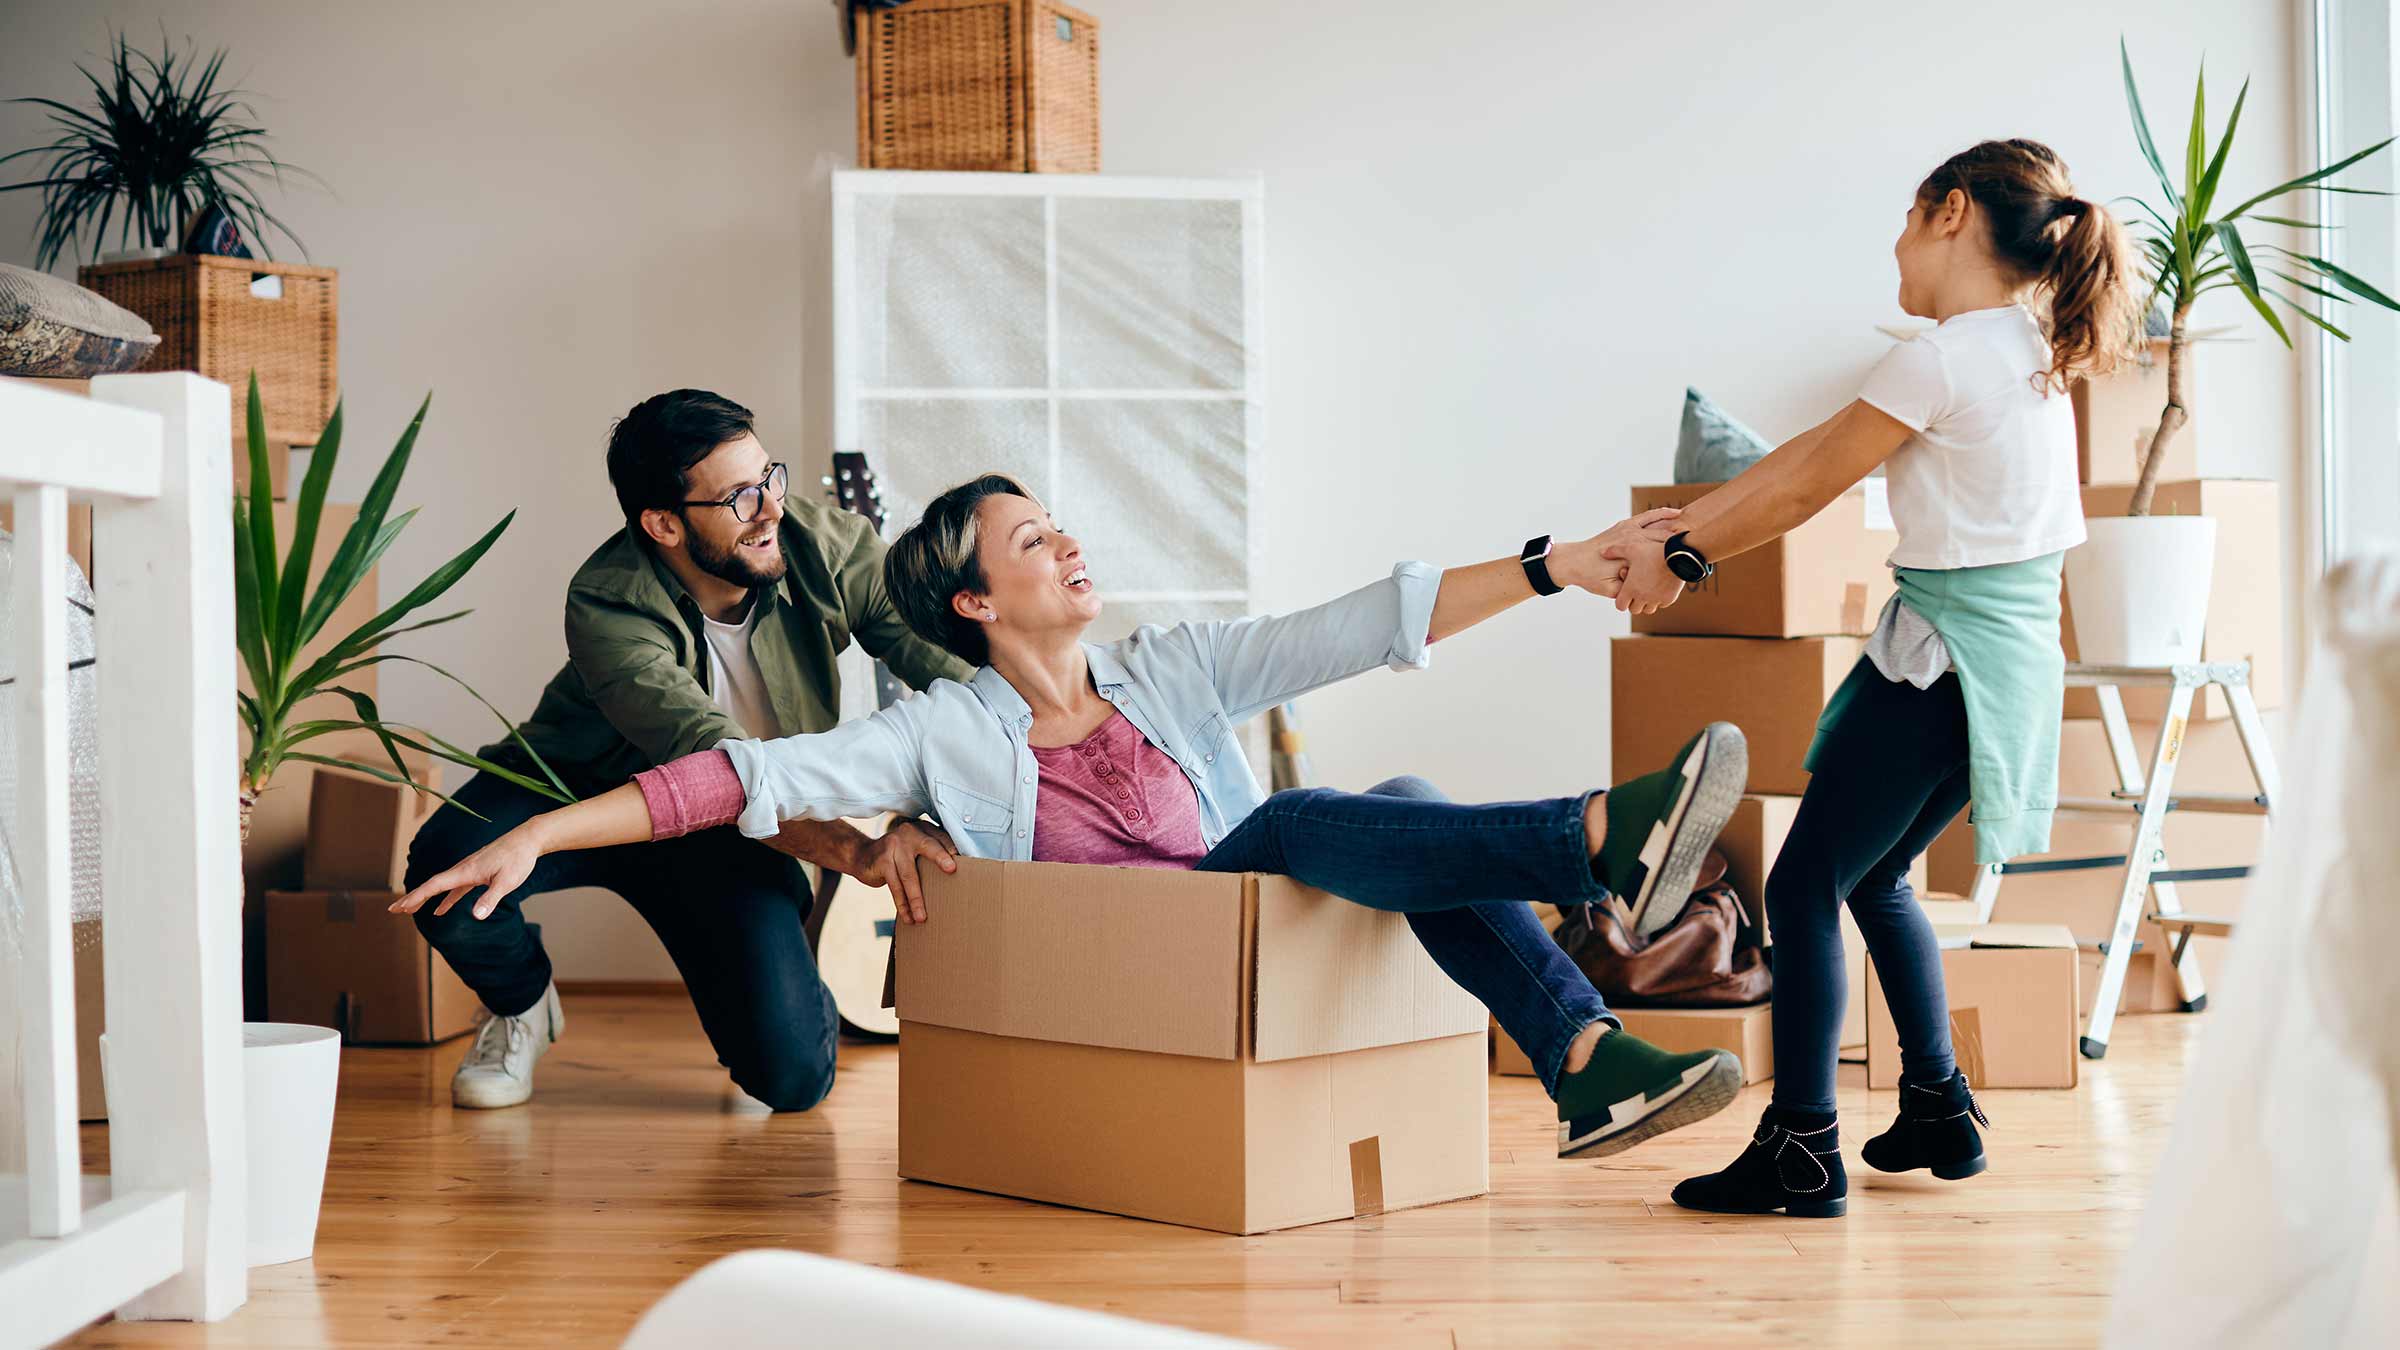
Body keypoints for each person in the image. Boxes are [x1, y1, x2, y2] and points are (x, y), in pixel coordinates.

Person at [398, 479, 1755, 1158]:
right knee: (1292, 828)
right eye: (1033, 538)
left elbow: (1357, 627)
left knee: (1378, 805)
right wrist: (540, 834)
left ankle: (1581, 1052)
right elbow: (754, 779)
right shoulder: (945, 729)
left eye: (1060, 526)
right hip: (1133, 979)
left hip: (1246, 934)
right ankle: (1590, 840)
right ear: (977, 603)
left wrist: (1554, 566)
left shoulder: (1168, 672)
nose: (1067, 545)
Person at [1603, 140, 2138, 1217]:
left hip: (1941, 667)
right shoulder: (2019, 353)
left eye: (1906, 215)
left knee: (1804, 887)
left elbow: (1808, 486)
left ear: (1948, 214)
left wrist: (1685, 556)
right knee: (1874, 879)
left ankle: (1802, 1147)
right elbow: (1811, 450)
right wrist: (1679, 526)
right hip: (2001, 668)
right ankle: (1937, 1106)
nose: (1895, 240)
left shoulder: (1944, 358)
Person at [404, 390, 972, 1112]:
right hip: (578, 790)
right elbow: (713, 761)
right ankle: (522, 1005)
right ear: (664, 523)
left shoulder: (822, 544)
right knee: (447, 876)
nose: (771, 508)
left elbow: (945, 671)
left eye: (771, 477)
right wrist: (856, 853)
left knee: (793, 1082)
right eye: (739, 496)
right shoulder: (607, 601)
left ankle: (780, 1007)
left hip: (726, 825)